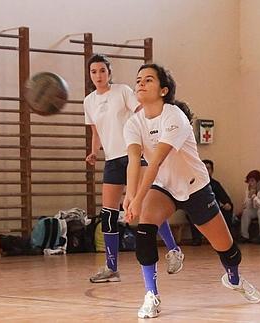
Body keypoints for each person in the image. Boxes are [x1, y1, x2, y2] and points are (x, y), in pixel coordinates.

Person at [123, 63, 260, 318]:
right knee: (145, 225)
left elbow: (155, 162)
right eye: (139, 79)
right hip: (164, 188)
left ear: (164, 90)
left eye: (149, 79)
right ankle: (151, 295)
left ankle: (234, 279)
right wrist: (131, 197)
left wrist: (137, 197)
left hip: (195, 187)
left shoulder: (174, 116)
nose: (141, 83)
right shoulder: (133, 123)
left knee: (227, 248)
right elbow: (135, 161)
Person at [83, 54, 184, 283]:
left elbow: (142, 112)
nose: (98, 75)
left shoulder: (123, 91)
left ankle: (174, 249)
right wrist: (94, 151)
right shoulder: (89, 101)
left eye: (102, 71)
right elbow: (96, 131)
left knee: (148, 208)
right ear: (90, 75)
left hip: (133, 155)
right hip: (112, 159)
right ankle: (111, 268)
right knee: (108, 214)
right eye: (93, 71)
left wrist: (149, 141)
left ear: (109, 72)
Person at [187, 160, 235, 245]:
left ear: (212, 171)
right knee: (190, 213)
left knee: (227, 210)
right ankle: (197, 239)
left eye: (208, 168)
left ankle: (227, 239)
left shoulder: (215, 184)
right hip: (199, 210)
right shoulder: (194, 184)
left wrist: (227, 204)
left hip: (213, 210)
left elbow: (225, 198)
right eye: (204, 168)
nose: (206, 170)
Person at [238, 170, 260, 242]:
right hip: (256, 209)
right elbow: (246, 205)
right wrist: (249, 197)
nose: (250, 183)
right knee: (246, 211)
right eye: (249, 181)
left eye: (252, 181)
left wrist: (254, 196)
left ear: (258, 181)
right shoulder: (249, 188)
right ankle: (244, 235)